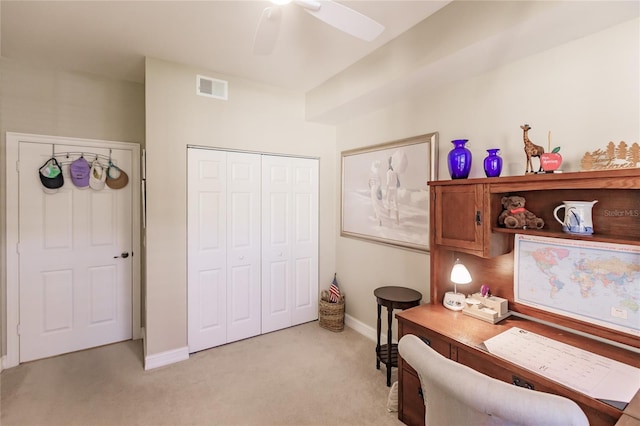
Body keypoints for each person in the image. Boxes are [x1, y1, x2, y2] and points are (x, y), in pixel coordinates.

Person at [368, 160, 383, 226]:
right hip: (377, 188)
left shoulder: (372, 173)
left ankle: (378, 219)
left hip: (373, 188)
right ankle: (376, 216)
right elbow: (380, 184)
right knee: (376, 203)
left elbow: (369, 183)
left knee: (375, 203)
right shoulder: (378, 174)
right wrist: (379, 190)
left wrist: (371, 187)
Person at [386, 157, 399, 225]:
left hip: (390, 189)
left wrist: (386, 191)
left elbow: (388, 183)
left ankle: (388, 218)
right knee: (395, 204)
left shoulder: (388, 172)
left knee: (388, 203)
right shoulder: (396, 171)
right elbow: (397, 182)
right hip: (395, 189)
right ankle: (397, 221)